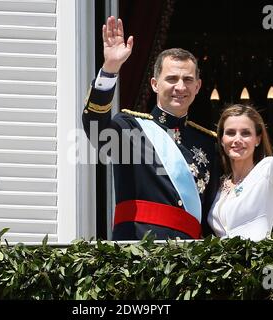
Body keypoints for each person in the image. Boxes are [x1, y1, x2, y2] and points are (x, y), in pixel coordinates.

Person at [82, 16, 219, 240]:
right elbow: (94, 124)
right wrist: (110, 69)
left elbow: (212, 215)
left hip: (190, 262)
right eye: (172, 79)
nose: (180, 87)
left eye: (187, 79)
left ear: (197, 86)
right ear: (155, 84)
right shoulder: (129, 129)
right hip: (138, 254)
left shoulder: (207, 142)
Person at [208, 58, 273, 241]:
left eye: (245, 133)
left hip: (257, 266)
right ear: (221, 140)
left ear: (258, 139)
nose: (237, 139)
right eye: (230, 133)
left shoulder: (269, 171)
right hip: (224, 267)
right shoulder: (220, 183)